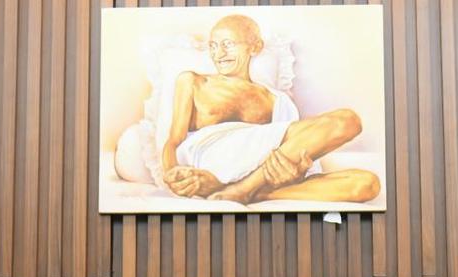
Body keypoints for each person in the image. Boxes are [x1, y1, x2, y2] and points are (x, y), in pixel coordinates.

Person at [160, 13, 380, 205]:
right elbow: (173, 140)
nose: (219, 53)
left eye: (228, 44)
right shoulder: (193, 81)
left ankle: (255, 192)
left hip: (256, 171)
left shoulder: (278, 100)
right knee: (346, 120)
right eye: (213, 45)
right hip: (212, 159)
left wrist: (295, 171)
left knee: (368, 184)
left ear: (255, 47)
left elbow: (290, 151)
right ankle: (245, 191)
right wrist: (171, 173)